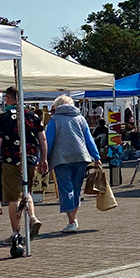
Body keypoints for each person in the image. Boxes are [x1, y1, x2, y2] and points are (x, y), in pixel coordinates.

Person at [0, 86, 48, 247]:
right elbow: (43, 139)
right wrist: (43, 159)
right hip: (30, 158)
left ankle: (16, 233)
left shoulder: (2, 117)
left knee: (14, 197)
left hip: (11, 159)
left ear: (7, 99)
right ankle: (32, 217)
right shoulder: (33, 116)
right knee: (27, 191)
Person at [45, 95, 102, 234]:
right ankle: (73, 219)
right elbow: (89, 139)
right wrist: (96, 157)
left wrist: (43, 159)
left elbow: (48, 141)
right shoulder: (81, 119)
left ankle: (72, 221)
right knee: (76, 189)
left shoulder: (54, 120)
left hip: (61, 158)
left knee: (66, 189)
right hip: (81, 157)